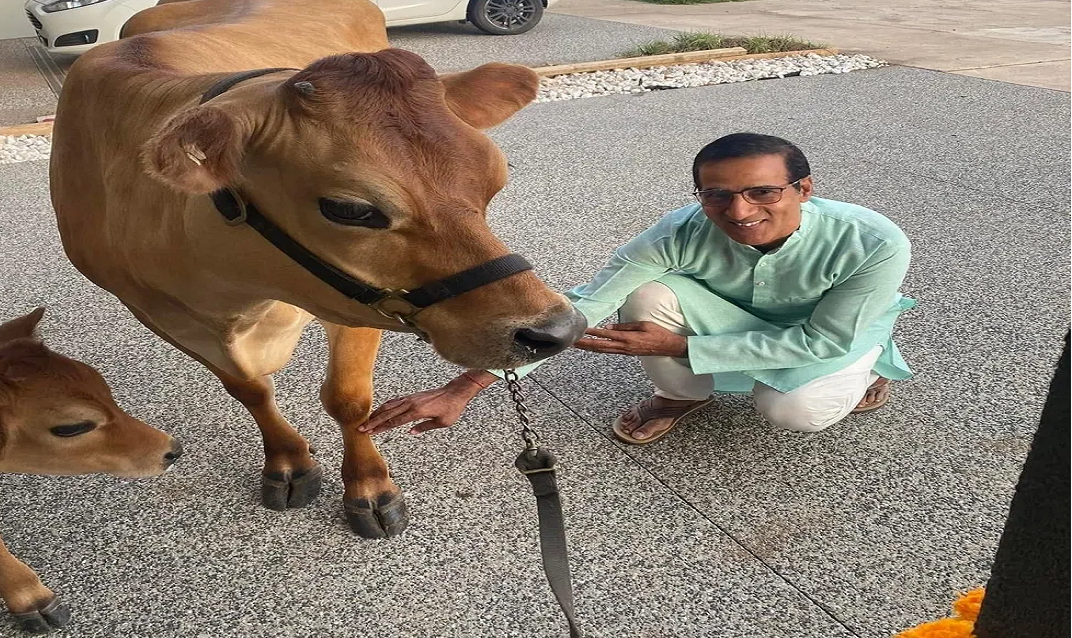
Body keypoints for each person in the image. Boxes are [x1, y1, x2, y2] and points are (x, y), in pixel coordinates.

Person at [361, 133, 914, 444]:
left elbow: (821, 341)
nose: (740, 212)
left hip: (828, 334)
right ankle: (681, 396)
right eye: (716, 195)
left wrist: (678, 345)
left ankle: (867, 371)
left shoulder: (873, 242)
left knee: (792, 411)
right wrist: (464, 387)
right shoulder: (682, 230)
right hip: (734, 318)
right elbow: (587, 305)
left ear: (804, 188)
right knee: (643, 296)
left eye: (763, 191)